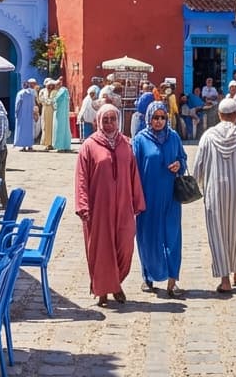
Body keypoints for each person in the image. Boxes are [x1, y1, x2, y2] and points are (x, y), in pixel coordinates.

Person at [74, 104, 145, 307]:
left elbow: (134, 175)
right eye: (105, 120)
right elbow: (81, 178)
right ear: (98, 121)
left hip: (123, 205)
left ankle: (115, 282)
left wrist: (137, 202)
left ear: (118, 120)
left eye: (113, 119)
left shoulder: (126, 144)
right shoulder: (89, 146)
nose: (109, 123)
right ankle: (104, 290)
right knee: (102, 249)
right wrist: (83, 205)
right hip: (99, 208)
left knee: (125, 246)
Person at [192, 96, 236, 295]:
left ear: (219, 115)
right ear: (235, 116)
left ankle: (225, 279)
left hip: (214, 193)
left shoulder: (208, 136)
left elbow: (198, 165)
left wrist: (194, 186)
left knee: (218, 233)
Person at [132, 100, 187, 297]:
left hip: (171, 198)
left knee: (172, 237)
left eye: (163, 117)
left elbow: (183, 158)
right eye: (155, 117)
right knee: (148, 239)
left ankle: (173, 280)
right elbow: (133, 170)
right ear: (149, 118)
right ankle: (148, 276)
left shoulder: (173, 137)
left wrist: (178, 165)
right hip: (148, 198)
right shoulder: (140, 140)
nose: (159, 121)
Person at [13, 79, 37, 150]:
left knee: (22, 130)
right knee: (29, 130)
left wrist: (16, 113)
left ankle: (23, 146)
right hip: (29, 115)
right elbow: (33, 104)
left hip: (21, 115)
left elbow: (17, 105)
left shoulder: (20, 93)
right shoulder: (31, 93)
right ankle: (30, 145)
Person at [51, 77, 72, 151]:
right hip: (63, 113)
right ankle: (65, 145)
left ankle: (60, 146)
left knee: (59, 128)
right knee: (65, 128)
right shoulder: (65, 90)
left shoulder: (61, 91)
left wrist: (52, 101)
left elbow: (56, 100)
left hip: (60, 113)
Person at [38, 79, 55, 150]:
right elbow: (40, 100)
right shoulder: (42, 91)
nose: (50, 86)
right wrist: (48, 102)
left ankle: (52, 143)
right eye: (49, 85)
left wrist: (51, 102)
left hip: (53, 111)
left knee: (52, 127)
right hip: (45, 110)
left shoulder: (55, 92)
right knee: (45, 126)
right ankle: (46, 143)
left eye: (51, 84)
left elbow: (55, 100)